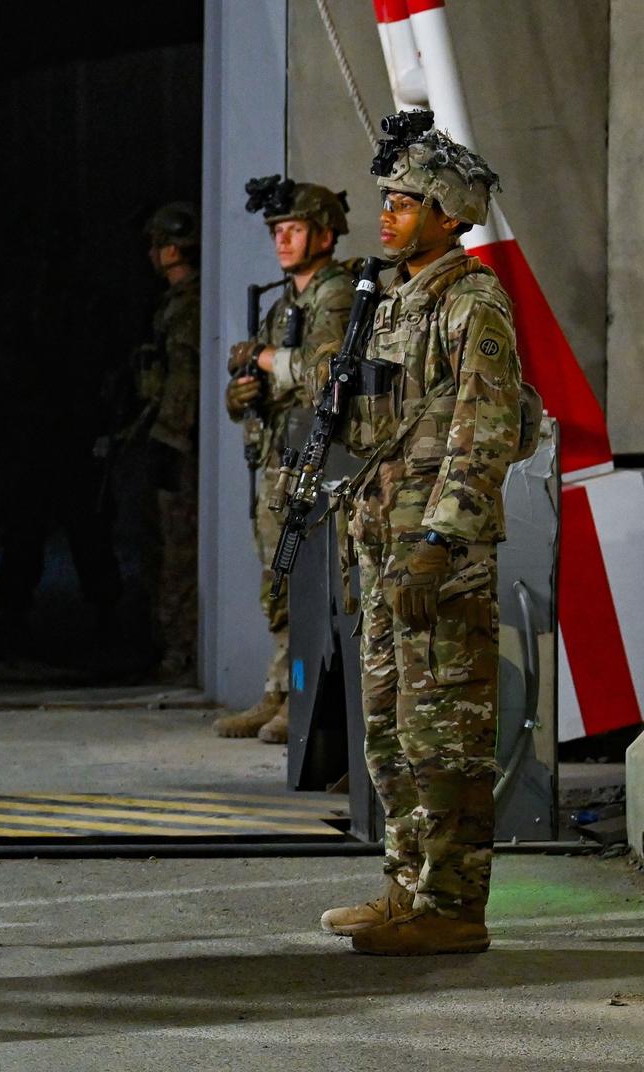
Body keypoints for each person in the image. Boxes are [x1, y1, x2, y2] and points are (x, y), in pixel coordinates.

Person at [320, 110, 520, 956]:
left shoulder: (472, 303)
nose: (388, 213)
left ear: (447, 213)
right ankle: (407, 886)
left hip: (438, 561)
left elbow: (485, 432)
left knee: (446, 732)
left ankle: (453, 906)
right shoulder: (397, 300)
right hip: (385, 553)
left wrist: (440, 542)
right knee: (391, 734)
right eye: (388, 199)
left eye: (406, 201)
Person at [215, 177, 356, 742]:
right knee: (277, 583)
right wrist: (240, 395)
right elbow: (270, 385)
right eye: (277, 231)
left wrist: (268, 358)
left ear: (323, 234)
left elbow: (323, 374)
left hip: (318, 464)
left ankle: (303, 699)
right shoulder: (285, 304)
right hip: (281, 460)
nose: (282, 240)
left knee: (306, 583)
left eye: (293, 229)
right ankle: (279, 689)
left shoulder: (336, 296)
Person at [132, 202, 201, 680]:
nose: (152, 255)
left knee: (177, 550)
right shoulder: (175, 302)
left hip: (178, 441)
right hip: (167, 435)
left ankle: (179, 651)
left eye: (157, 245)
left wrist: (170, 437)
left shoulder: (190, 305)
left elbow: (184, 380)